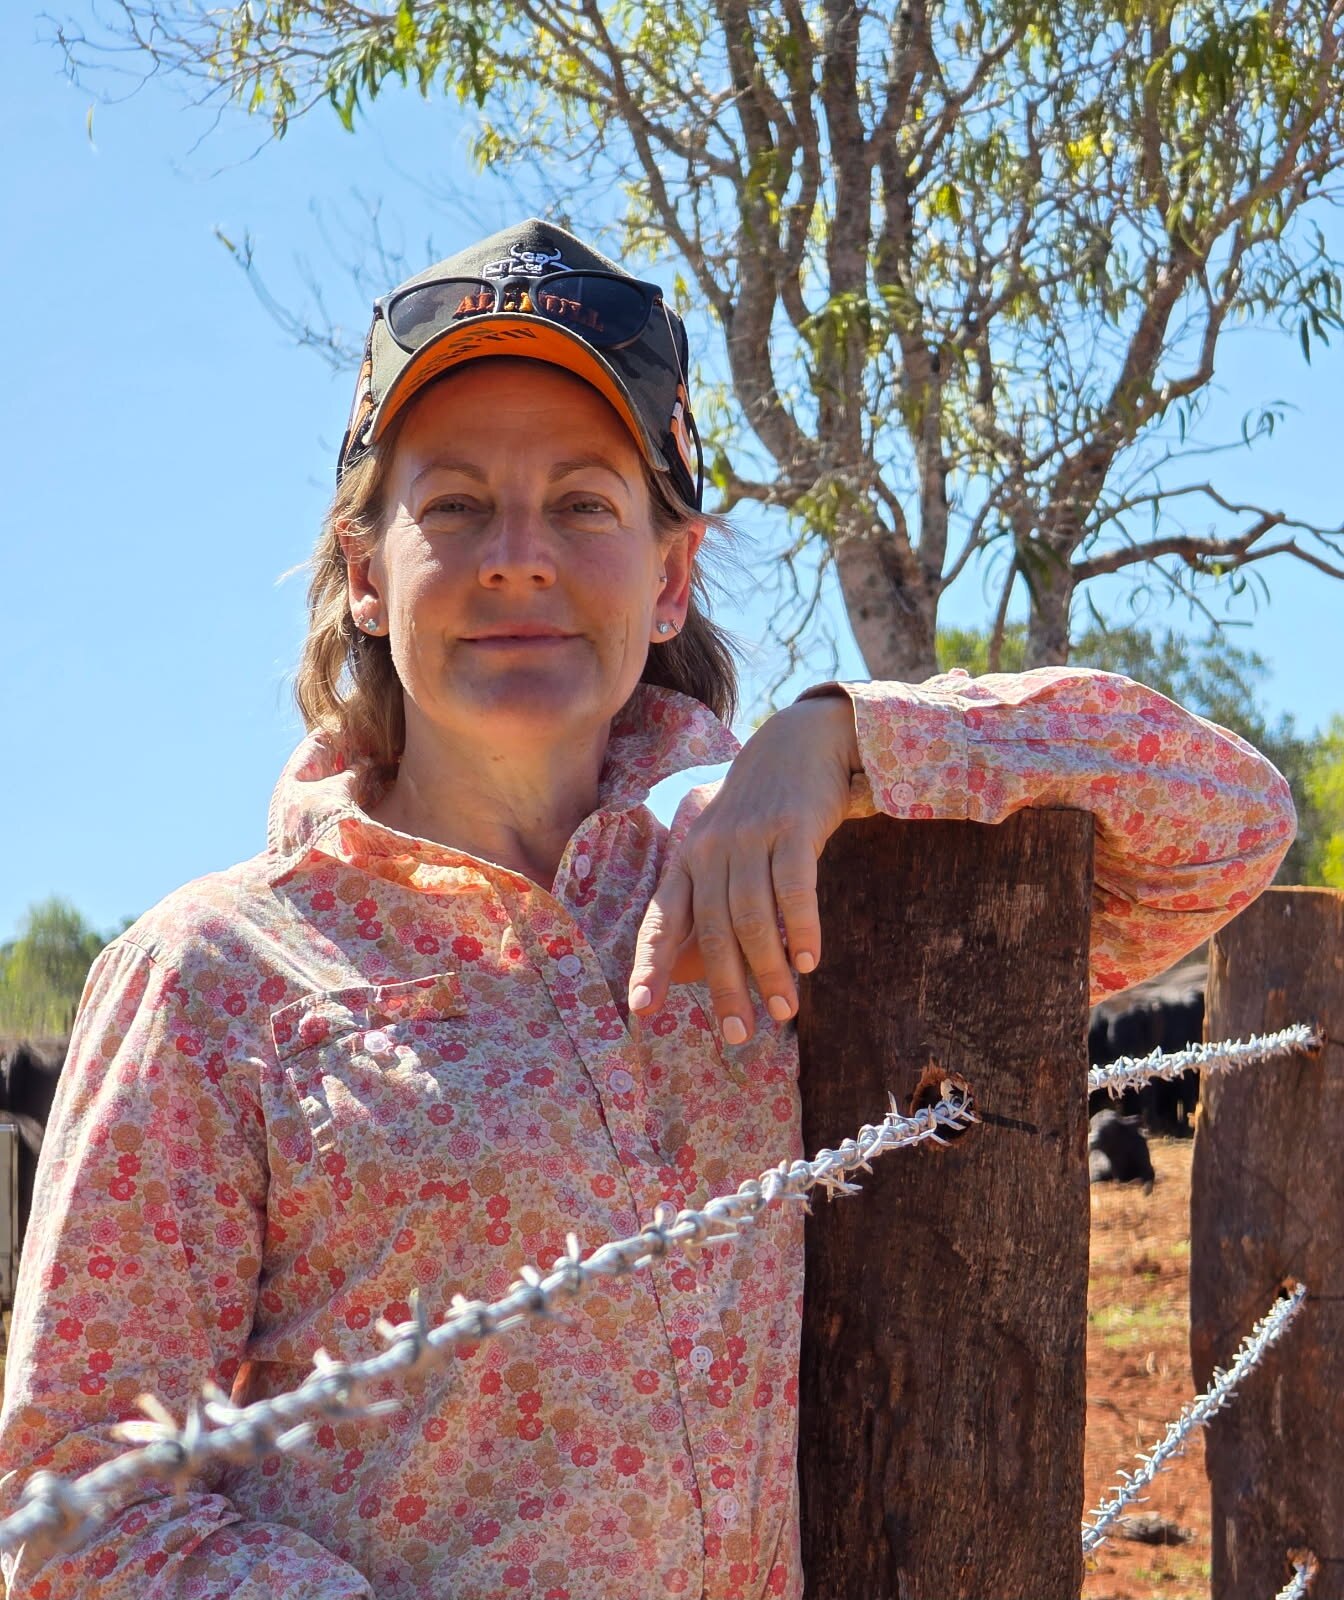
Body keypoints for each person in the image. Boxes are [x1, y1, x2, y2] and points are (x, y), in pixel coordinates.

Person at [0, 218, 1295, 1600]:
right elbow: (76, 1512)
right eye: (450, 507)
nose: (517, 557)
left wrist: (845, 737)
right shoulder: (218, 976)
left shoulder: (781, 889)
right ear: (367, 573)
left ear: (670, 572)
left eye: (583, 504)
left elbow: (1227, 823)